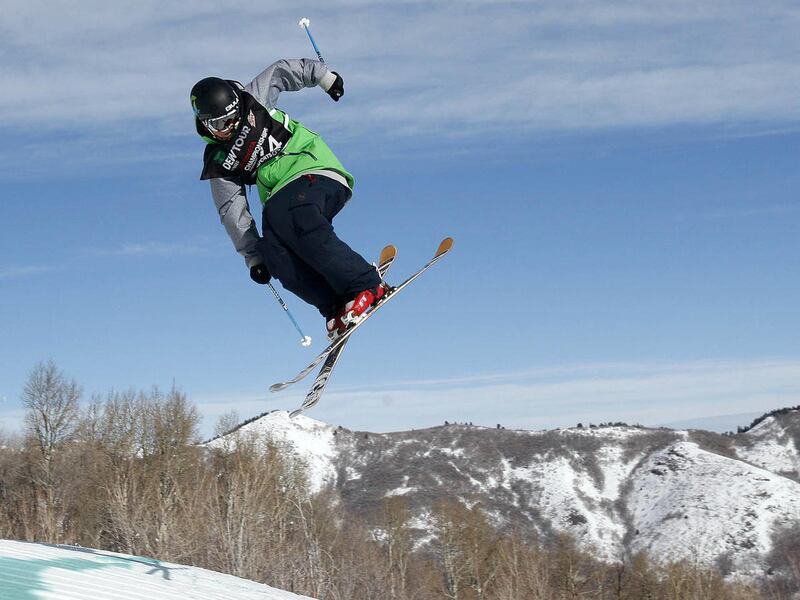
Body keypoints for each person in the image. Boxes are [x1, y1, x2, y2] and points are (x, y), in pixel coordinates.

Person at [191, 59, 386, 339]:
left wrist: (324, 78)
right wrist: (255, 258)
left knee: (289, 214)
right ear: (206, 125)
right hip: (280, 199)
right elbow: (232, 210)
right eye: (222, 123)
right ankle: (335, 306)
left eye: (233, 116)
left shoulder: (252, 100)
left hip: (313, 169)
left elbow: (280, 72)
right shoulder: (219, 161)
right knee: (274, 252)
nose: (231, 125)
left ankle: (366, 283)